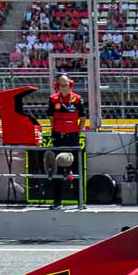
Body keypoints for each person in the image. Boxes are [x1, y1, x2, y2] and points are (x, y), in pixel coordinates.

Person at [46, 73, 84, 208]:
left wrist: (76, 133)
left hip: (73, 138)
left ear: (70, 85)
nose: (64, 88)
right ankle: (57, 202)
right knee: (57, 169)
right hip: (58, 138)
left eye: (66, 85)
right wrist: (57, 130)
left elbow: (83, 119)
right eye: (61, 85)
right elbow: (50, 118)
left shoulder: (78, 99)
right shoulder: (53, 99)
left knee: (76, 169)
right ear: (57, 86)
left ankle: (80, 201)